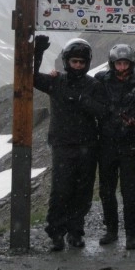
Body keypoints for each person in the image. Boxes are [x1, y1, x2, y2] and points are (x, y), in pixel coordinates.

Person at [33, 35, 107, 251]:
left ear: (87, 63)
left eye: (81, 62)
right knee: (61, 190)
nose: (77, 66)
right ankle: (56, 233)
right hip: (62, 145)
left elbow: (104, 112)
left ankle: (76, 231)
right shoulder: (56, 81)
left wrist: (85, 102)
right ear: (67, 61)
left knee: (83, 191)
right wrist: (37, 53)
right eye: (74, 61)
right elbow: (30, 78)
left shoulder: (94, 85)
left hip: (88, 145)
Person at [94, 44, 135, 251]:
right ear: (112, 63)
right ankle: (111, 230)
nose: (121, 67)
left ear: (132, 63)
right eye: (118, 63)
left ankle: (131, 234)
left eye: (125, 63)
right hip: (106, 144)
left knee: (130, 192)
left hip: (129, 144)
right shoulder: (100, 80)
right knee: (106, 191)